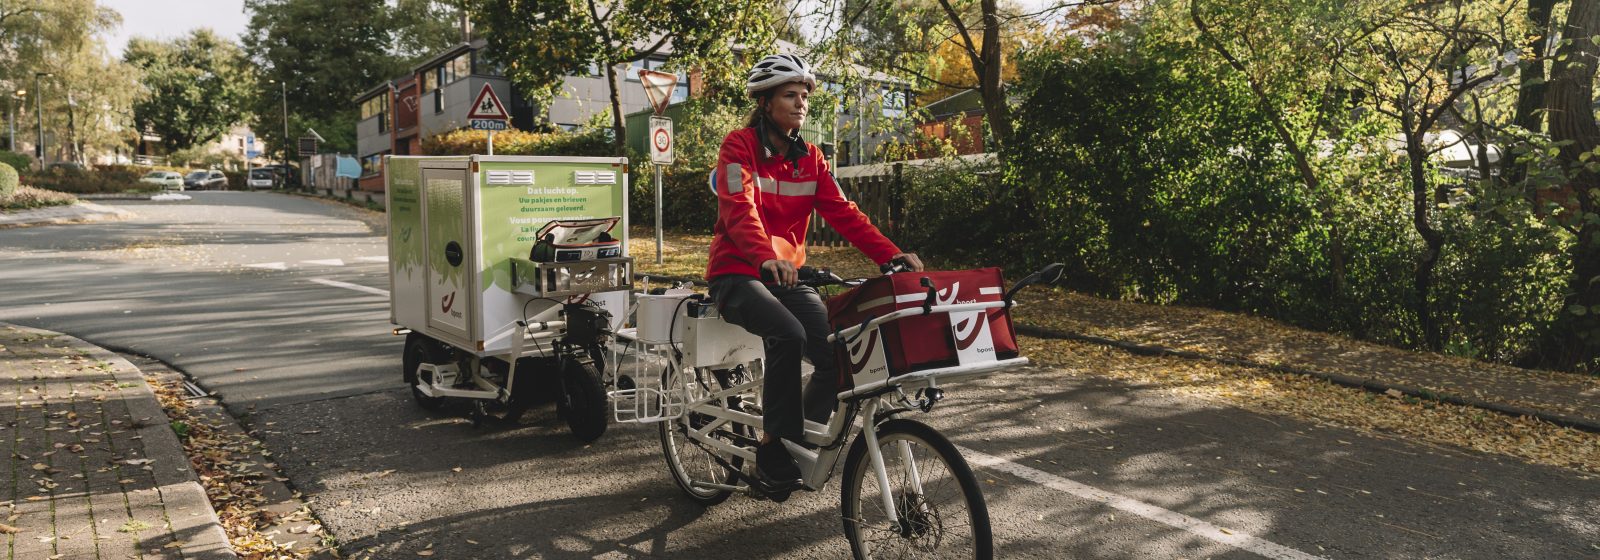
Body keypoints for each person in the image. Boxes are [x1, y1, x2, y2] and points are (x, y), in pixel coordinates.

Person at [706, 53, 923, 494]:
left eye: (804, 95)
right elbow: (739, 208)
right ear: (765, 102)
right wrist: (766, 255)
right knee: (789, 334)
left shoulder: (814, 160)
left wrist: (891, 255)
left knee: (836, 352)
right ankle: (771, 447)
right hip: (737, 273)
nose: (801, 102)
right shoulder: (738, 146)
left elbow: (845, 214)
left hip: (787, 278)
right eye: (790, 94)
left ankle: (794, 438)